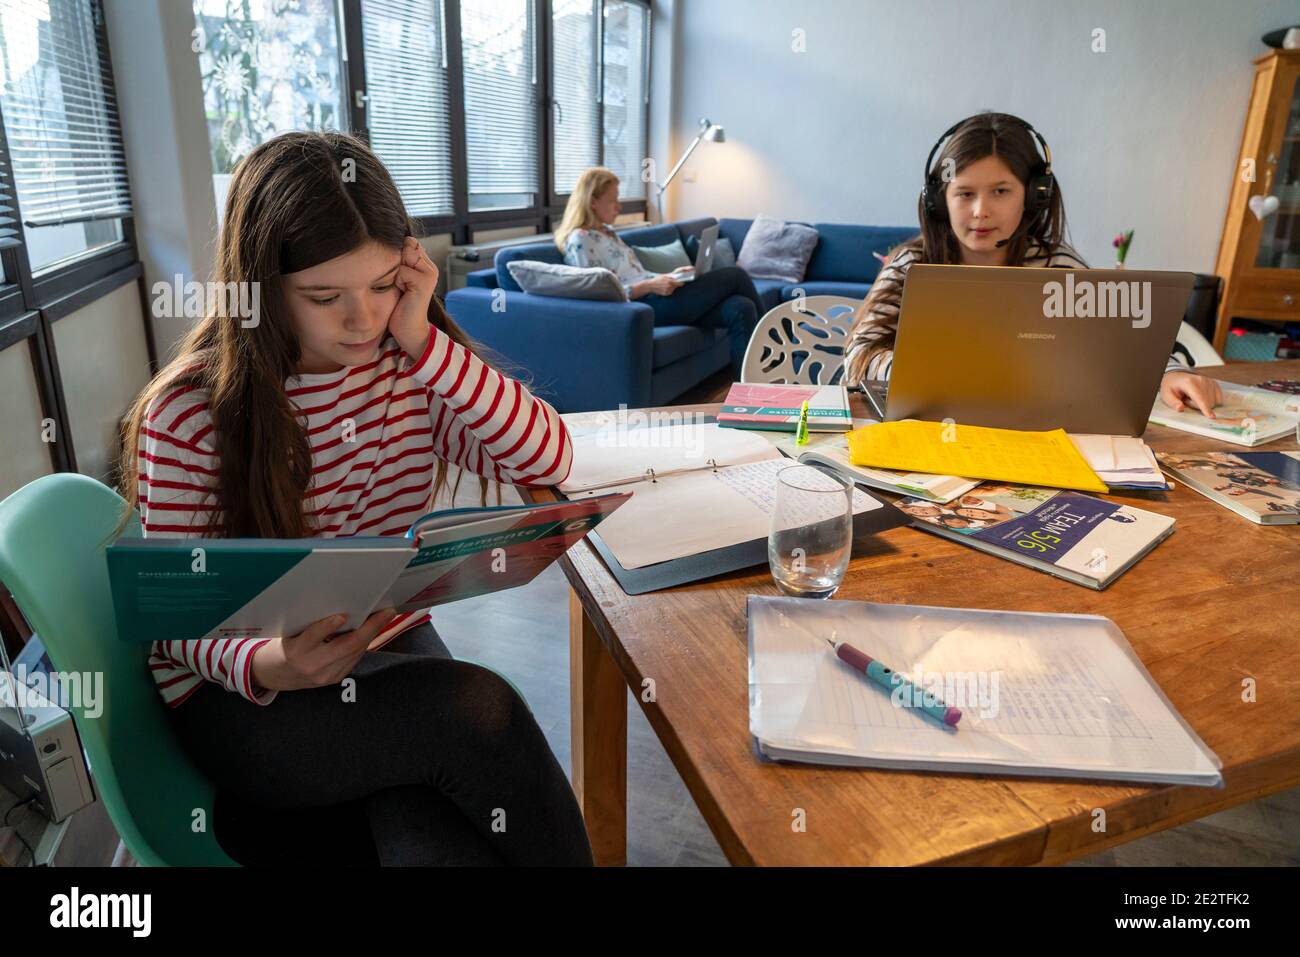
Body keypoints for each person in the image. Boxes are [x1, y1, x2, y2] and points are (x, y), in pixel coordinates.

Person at [117, 131, 591, 867]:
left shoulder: (406, 365)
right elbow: (174, 624)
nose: (362, 320)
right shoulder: (187, 413)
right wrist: (268, 662)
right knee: (479, 714)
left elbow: (547, 454)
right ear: (261, 287)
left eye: (381, 286)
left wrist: (428, 343)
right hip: (239, 692)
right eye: (324, 296)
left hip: (377, 638)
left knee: (430, 820)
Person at [842, 112, 1223, 419]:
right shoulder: (912, 263)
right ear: (940, 202)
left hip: (1033, 434)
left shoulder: (1057, 264)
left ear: (1034, 196)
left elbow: (1124, 344)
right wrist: (931, 374)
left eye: (1001, 191)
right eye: (964, 193)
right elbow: (858, 355)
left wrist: (1170, 372)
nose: (980, 211)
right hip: (928, 430)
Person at [556, 166, 764, 375]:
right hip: (640, 307)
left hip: (656, 295)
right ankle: (779, 347)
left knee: (741, 307)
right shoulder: (580, 240)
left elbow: (636, 272)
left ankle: (748, 393)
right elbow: (597, 293)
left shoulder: (607, 233)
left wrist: (669, 276)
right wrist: (649, 285)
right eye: (613, 200)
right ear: (592, 201)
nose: (619, 207)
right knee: (735, 275)